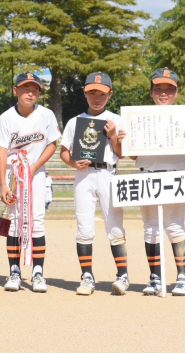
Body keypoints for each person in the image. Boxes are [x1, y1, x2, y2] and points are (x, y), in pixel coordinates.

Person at [127, 67, 185, 296]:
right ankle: (155, 277)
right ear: (151, 92)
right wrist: (125, 140)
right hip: (147, 173)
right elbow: (133, 155)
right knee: (151, 228)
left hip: (175, 174)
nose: (163, 93)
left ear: (176, 92)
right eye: (158, 89)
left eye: (168, 89)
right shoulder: (140, 116)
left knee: (174, 226)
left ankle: (182, 277)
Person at [0, 72, 61, 292]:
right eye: (25, 88)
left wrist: (35, 167)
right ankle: (15, 272)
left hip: (35, 174)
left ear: (39, 92)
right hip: (13, 176)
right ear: (15, 91)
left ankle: (38, 273)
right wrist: (2, 184)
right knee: (15, 221)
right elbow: (2, 152)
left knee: (37, 221)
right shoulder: (6, 118)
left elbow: (52, 145)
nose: (30, 93)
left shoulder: (46, 115)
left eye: (34, 89)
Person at [60, 72, 129, 296]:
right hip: (84, 174)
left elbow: (122, 153)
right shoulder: (75, 121)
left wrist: (113, 137)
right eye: (92, 93)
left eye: (101, 93)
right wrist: (73, 163)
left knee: (115, 225)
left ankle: (123, 275)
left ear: (110, 94)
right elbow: (63, 152)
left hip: (109, 172)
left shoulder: (116, 120)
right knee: (84, 227)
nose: (96, 97)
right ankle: (87, 276)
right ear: (85, 93)